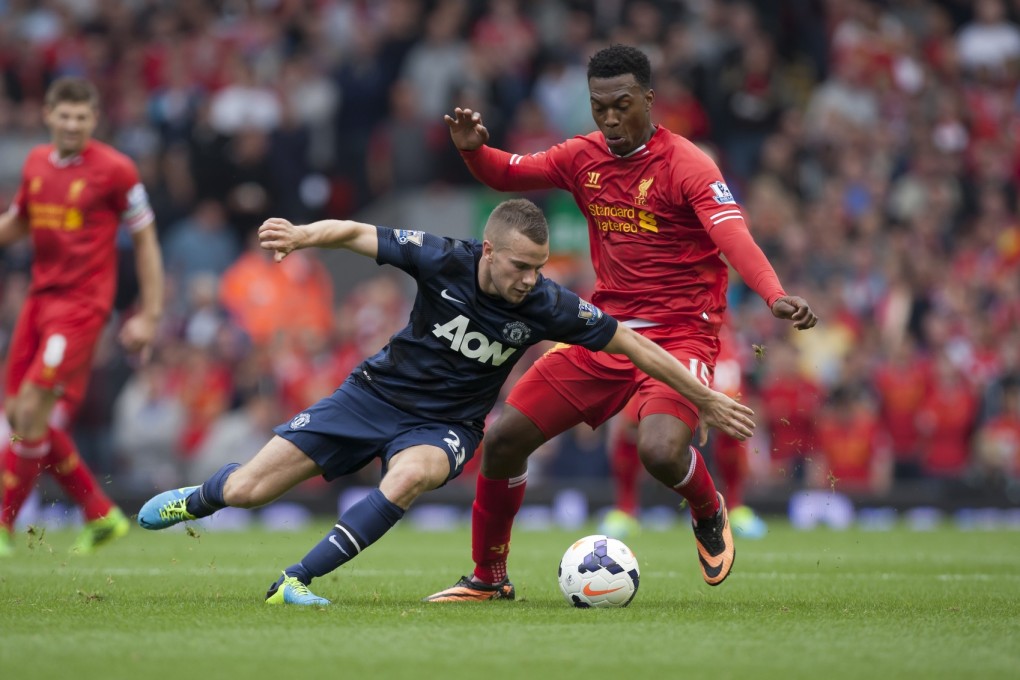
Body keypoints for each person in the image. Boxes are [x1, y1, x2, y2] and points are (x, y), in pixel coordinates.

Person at [137, 198, 756, 606]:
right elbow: (356, 232)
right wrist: (303, 235)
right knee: (248, 490)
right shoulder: (441, 258)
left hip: (446, 425)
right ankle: (200, 498)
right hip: (371, 396)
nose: (528, 280)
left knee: (416, 474)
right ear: (488, 252)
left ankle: (295, 580)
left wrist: (703, 395)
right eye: (519, 266)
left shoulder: (546, 303)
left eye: (538, 269)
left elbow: (629, 342)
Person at [426, 44, 816, 601]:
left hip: (683, 333)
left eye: (622, 105)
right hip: (605, 331)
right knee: (505, 439)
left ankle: (708, 508)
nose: (609, 118)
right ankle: (489, 578)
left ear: (650, 100)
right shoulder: (582, 156)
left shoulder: (689, 165)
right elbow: (510, 173)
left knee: (659, 451)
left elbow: (734, 236)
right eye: (598, 106)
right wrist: (473, 152)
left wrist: (774, 294)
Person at [0, 77, 164, 556]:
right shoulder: (34, 163)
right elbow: (19, 223)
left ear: (94, 120)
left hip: (81, 306)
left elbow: (146, 241)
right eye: (64, 115)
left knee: (30, 409)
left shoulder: (117, 171)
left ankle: (3, 524)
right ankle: (100, 514)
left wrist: (150, 315)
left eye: (81, 116)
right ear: (48, 115)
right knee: (19, 414)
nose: (72, 124)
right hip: (38, 300)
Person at [599, 324, 768, 541]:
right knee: (632, 420)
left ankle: (734, 508)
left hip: (710, 331)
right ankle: (625, 510)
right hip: (656, 331)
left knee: (729, 415)